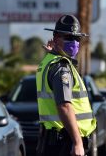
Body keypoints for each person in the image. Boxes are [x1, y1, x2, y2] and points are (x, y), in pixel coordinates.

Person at [36, 14, 96, 156]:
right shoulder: (61, 67)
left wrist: (54, 51)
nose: (74, 42)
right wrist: (77, 142)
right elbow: (64, 105)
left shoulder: (49, 61)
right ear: (56, 38)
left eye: (77, 38)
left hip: (56, 141)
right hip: (65, 143)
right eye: (69, 38)